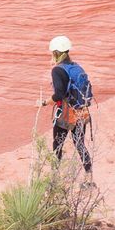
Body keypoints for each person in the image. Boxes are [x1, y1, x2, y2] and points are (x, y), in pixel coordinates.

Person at [40, 35, 94, 178]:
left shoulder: (57, 70)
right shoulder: (76, 66)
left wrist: (44, 102)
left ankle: (55, 177)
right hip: (81, 110)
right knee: (79, 144)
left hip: (66, 112)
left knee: (57, 144)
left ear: (56, 53)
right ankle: (89, 177)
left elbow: (58, 94)